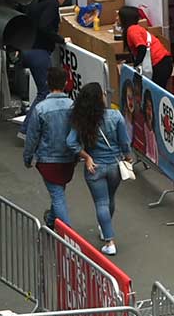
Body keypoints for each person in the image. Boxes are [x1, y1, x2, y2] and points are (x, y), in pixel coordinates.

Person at [69, 82, 132, 256]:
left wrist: (86, 157)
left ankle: (109, 240)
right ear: (99, 98)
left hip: (94, 167)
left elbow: (70, 142)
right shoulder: (116, 116)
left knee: (101, 202)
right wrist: (128, 157)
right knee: (110, 198)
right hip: (114, 165)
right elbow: (124, 141)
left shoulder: (81, 120)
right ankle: (106, 229)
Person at [22, 64, 82, 229]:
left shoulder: (40, 109)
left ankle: (69, 237)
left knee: (57, 196)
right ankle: (50, 219)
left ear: (48, 83)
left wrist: (28, 158)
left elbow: (32, 136)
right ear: (65, 84)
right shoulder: (73, 106)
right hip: (68, 158)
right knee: (59, 191)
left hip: (47, 160)